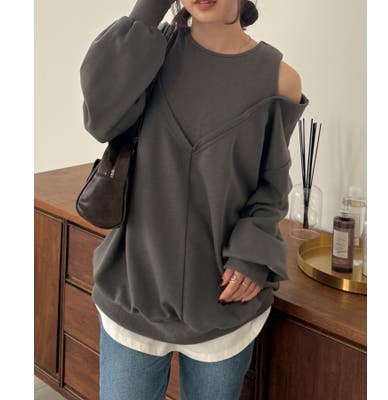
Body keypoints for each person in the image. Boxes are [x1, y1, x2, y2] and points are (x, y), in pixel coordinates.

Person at [79, 0, 309, 399]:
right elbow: (99, 118)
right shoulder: (148, 53)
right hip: (135, 295)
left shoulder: (278, 79)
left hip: (222, 308)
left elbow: (271, 187)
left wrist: (251, 256)